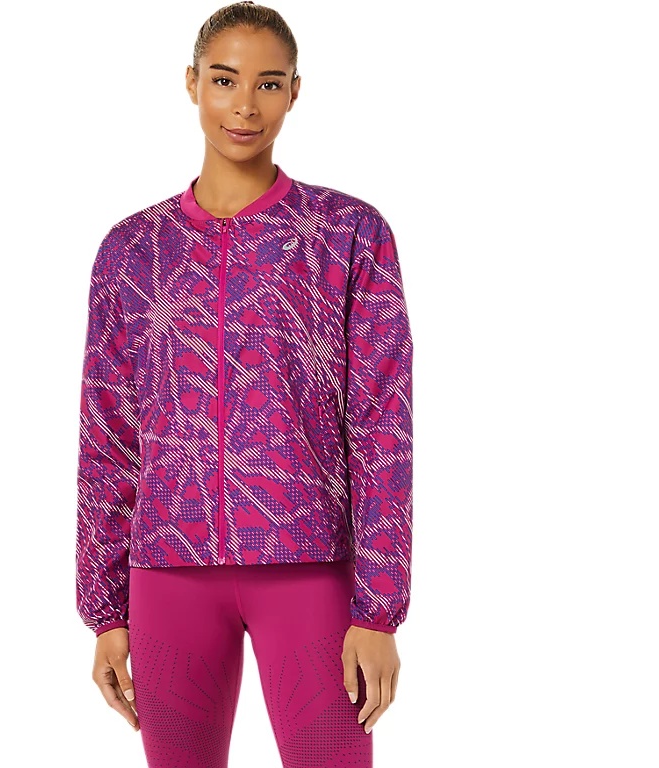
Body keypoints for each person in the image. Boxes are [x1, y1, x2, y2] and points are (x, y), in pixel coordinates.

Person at [75, 3, 413, 766]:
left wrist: (379, 609)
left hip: (310, 565)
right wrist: (106, 612)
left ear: (295, 91)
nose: (245, 106)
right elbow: (107, 431)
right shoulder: (132, 250)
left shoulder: (349, 235)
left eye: (268, 83)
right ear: (192, 83)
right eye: (225, 80)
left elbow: (383, 422)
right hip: (166, 571)